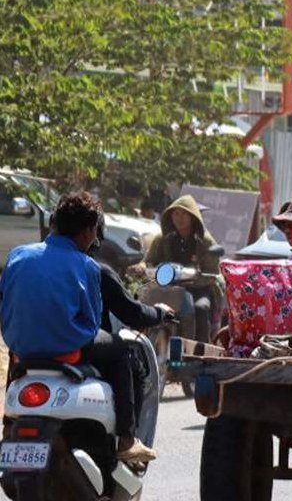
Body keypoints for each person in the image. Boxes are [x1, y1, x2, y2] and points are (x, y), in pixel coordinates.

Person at [1, 193, 159, 463]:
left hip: (21, 347)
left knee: (19, 358)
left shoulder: (18, 255)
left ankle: (7, 425)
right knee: (121, 351)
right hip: (68, 348)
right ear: (88, 231)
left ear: (54, 223)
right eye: (95, 231)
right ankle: (127, 440)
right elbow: (92, 319)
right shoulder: (87, 266)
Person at [143, 194, 222, 343]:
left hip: (199, 289)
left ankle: (199, 351)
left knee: (201, 308)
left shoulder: (205, 241)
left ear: (193, 217)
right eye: (176, 214)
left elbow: (212, 273)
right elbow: (149, 261)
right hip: (167, 288)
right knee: (143, 305)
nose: (179, 218)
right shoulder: (163, 239)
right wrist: (141, 268)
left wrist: (195, 280)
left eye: (184, 214)